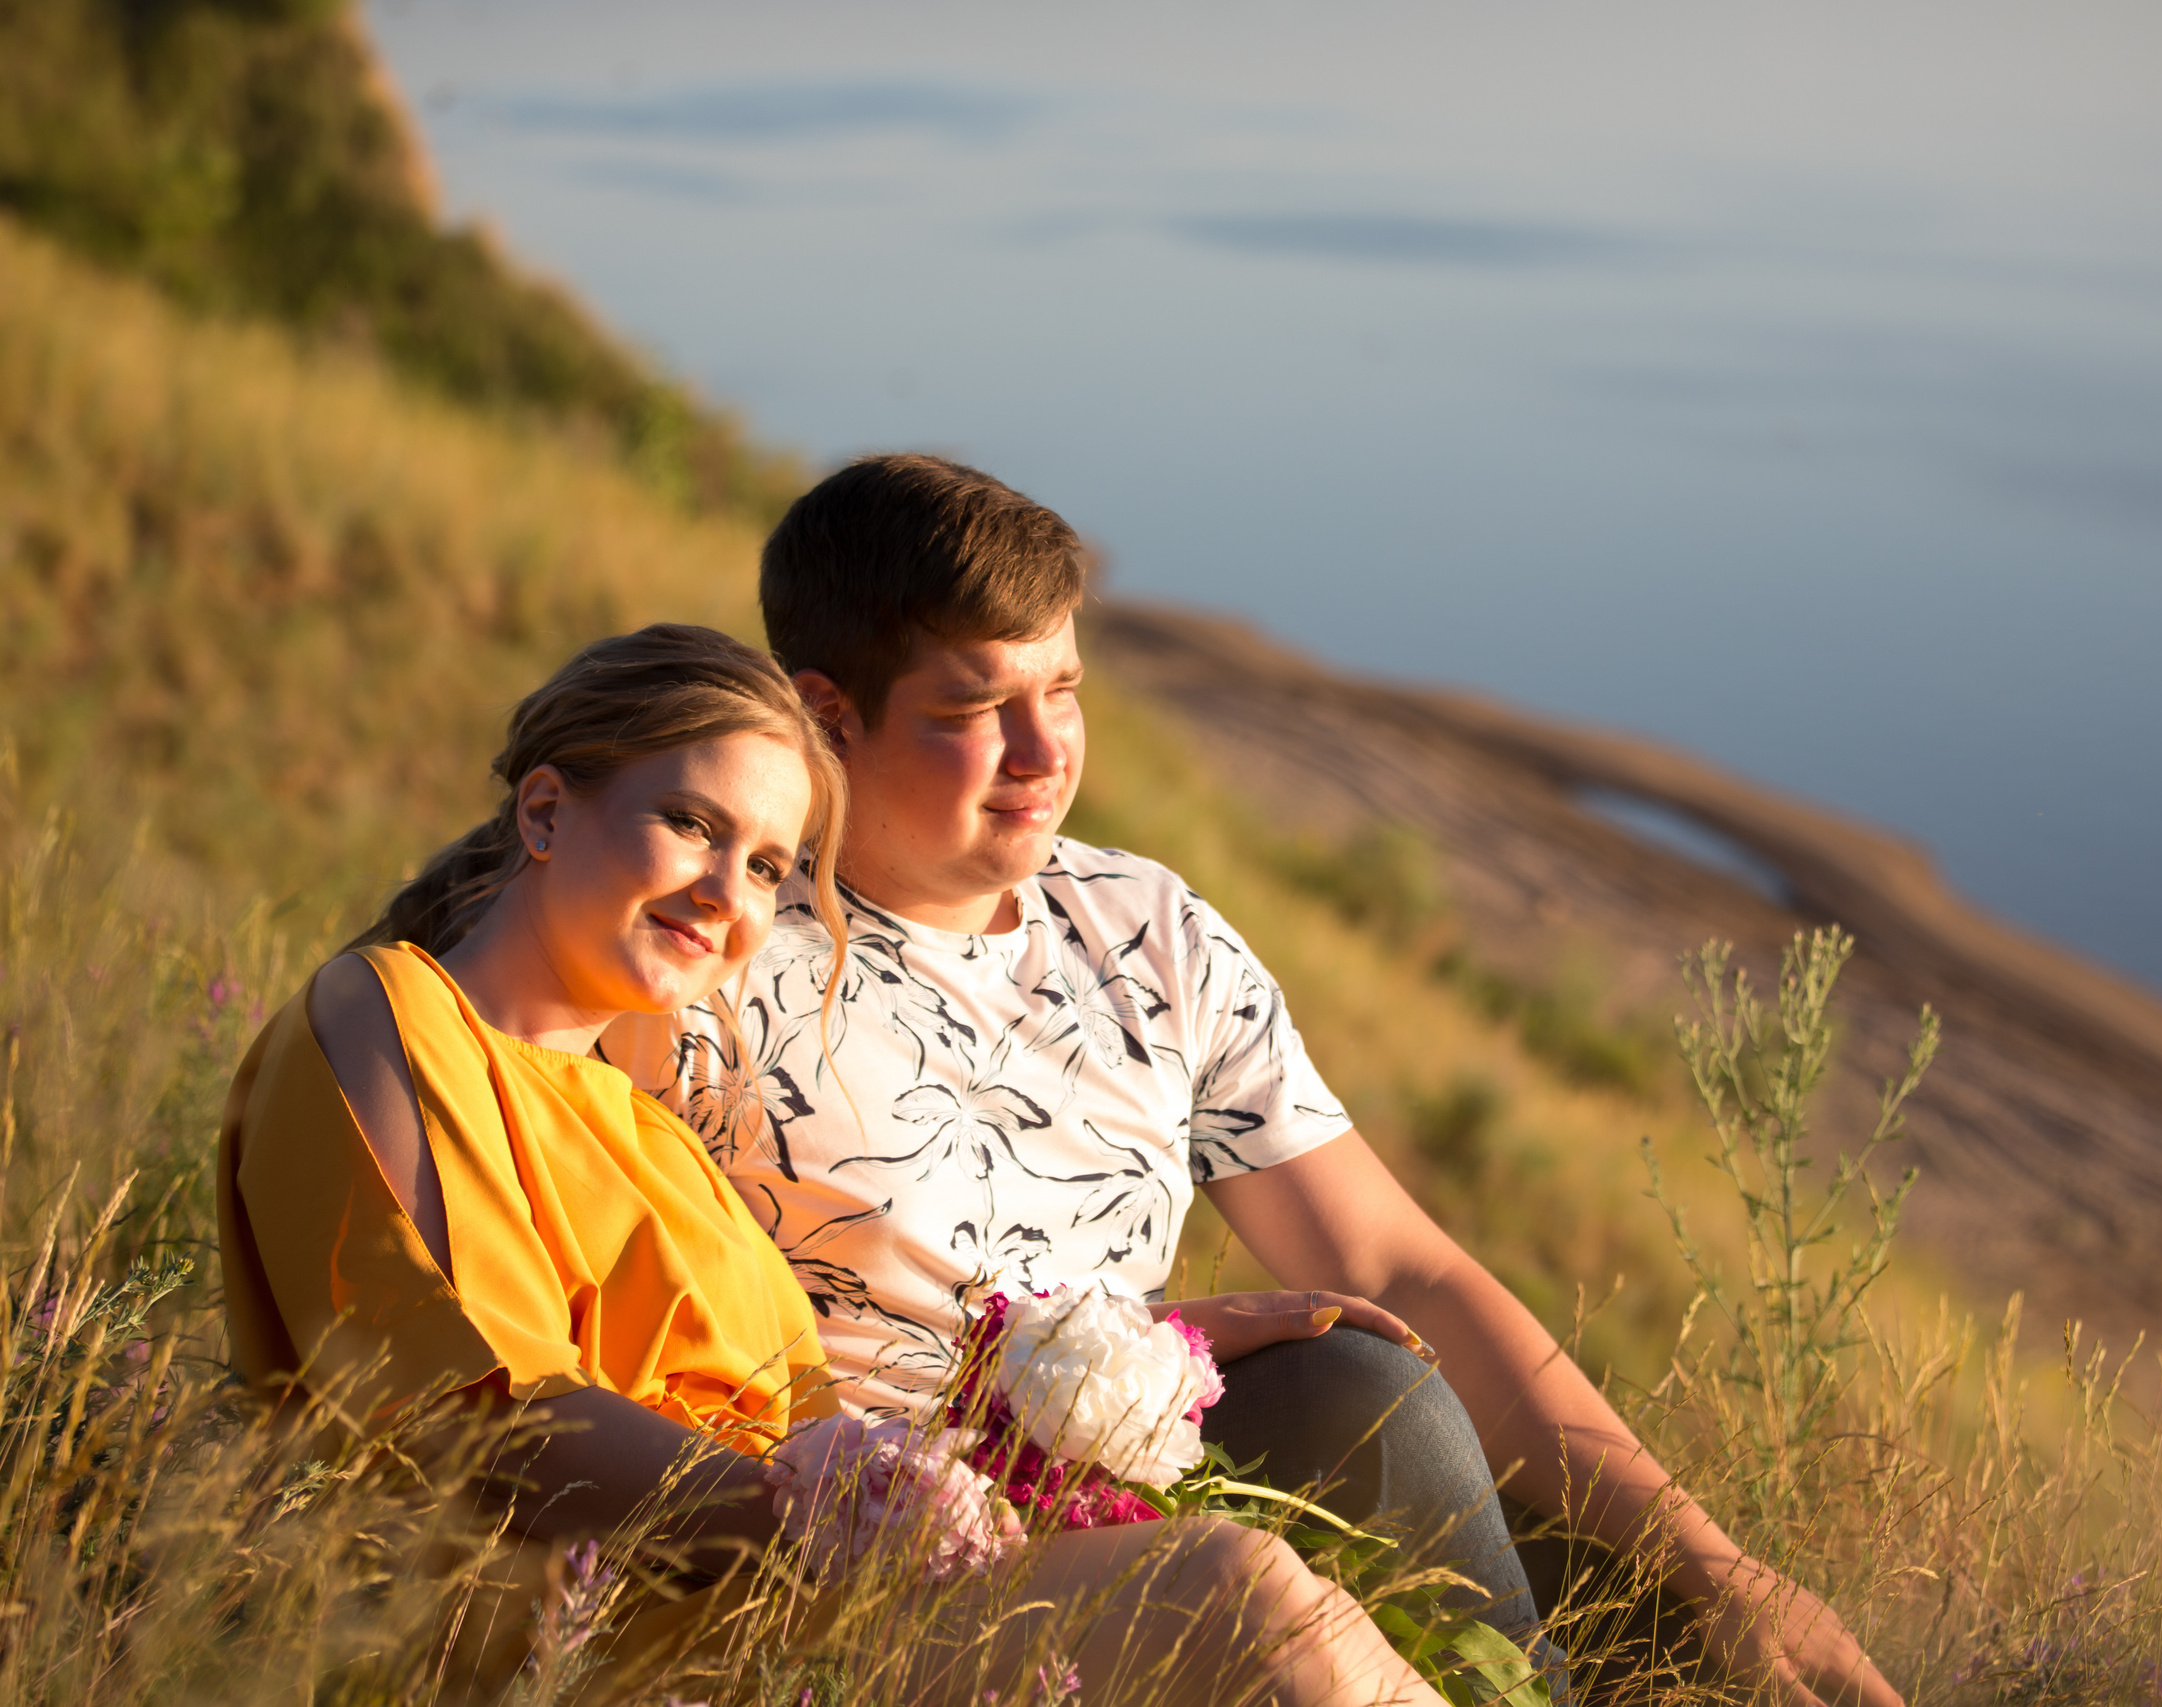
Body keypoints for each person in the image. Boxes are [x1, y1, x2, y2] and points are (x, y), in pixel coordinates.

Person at [605, 458, 1907, 1706]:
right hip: (889, 1554)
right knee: (1339, 1441)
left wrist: (1720, 1563)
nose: (1042, 750)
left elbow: (1397, 1265)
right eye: (974, 710)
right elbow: (640, 1357)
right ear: (829, 716)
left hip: (1142, 1489)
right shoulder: (709, 958)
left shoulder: (1142, 927)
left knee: (1404, 1408)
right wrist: (1108, 1353)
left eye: (1063, 688)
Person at [219, 623, 1445, 1706]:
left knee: (1303, 1603)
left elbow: (803, 1426)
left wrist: (1083, 1359)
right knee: (1230, 1592)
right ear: (545, 813)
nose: (726, 893)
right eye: (691, 824)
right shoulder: (385, 1015)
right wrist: (807, 1505)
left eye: (767, 866)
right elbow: (473, 1413)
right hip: (608, 1636)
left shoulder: (652, 1137)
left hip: (785, 1595)